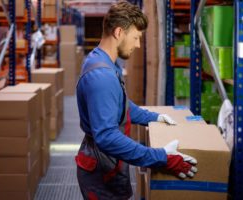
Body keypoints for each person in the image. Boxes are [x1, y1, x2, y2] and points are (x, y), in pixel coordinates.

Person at [75, 1, 197, 199]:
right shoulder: (102, 76)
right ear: (118, 32)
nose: (138, 44)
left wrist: (155, 117)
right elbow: (106, 136)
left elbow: (121, 104)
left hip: (108, 163)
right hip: (101, 172)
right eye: (136, 37)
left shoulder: (103, 61)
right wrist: (160, 157)